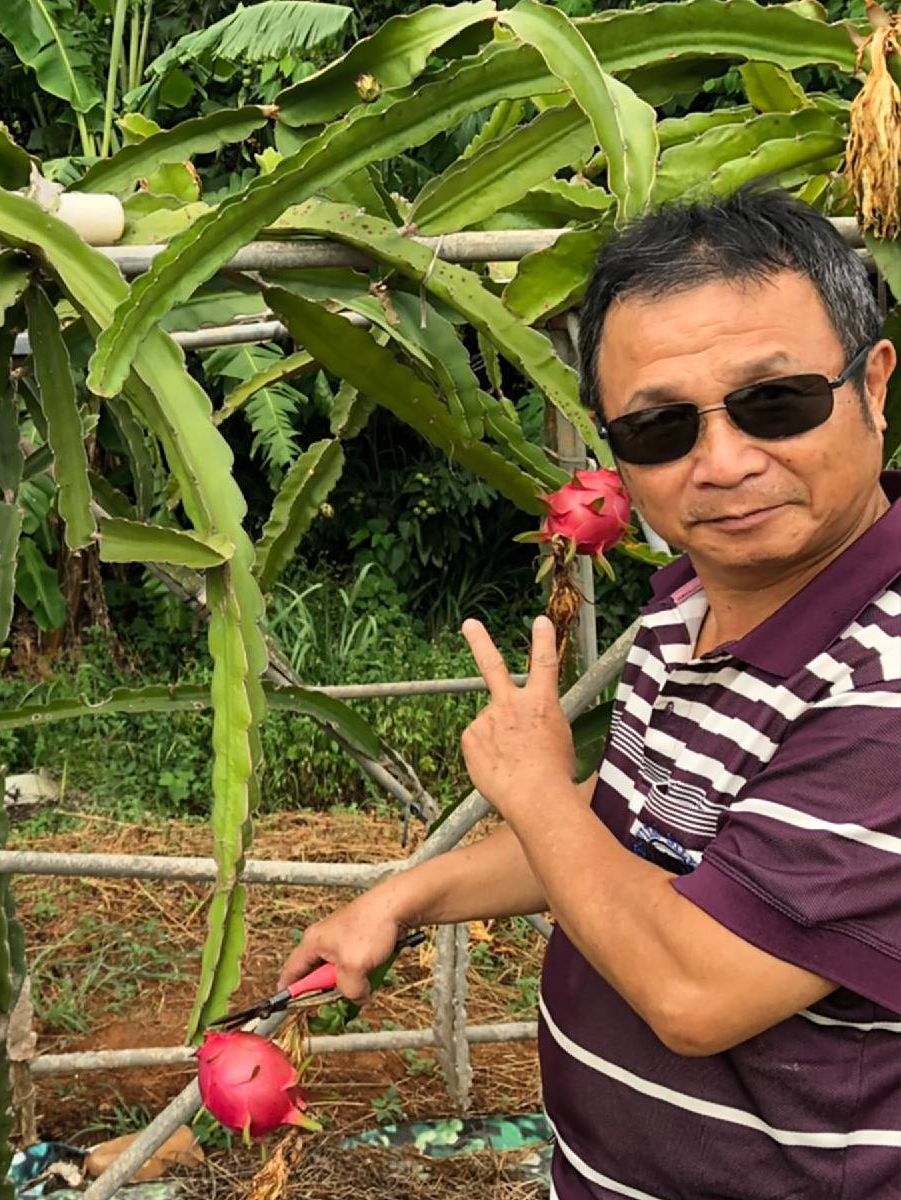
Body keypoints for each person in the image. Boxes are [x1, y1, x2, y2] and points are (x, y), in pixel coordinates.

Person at [279, 188, 899, 1200]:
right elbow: (614, 846)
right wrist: (404, 897)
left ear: (873, 384)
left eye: (776, 401)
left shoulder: (886, 682)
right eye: (660, 428)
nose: (727, 463)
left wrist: (528, 780)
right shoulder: (687, 600)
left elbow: (694, 990)